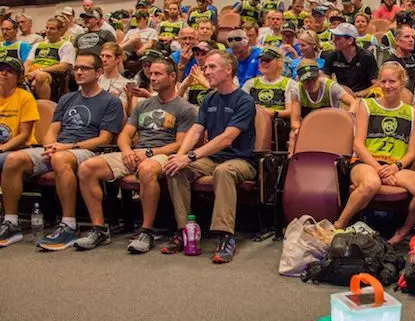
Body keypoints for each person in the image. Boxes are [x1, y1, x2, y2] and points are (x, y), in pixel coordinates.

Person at [0, 53, 123, 249]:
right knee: (13, 159)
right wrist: (50, 145)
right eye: (77, 68)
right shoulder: (67, 99)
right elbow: (53, 130)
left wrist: (66, 147)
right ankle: (11, 222)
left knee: (60, 159)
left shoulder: (110, 101)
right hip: (59, 148)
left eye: (85, 68)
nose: (79, 72)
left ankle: (69, 225)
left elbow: (104, 139)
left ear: (99, 72)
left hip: (88, 150)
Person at [74, 58, 196, 252]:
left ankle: (146, 230)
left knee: (147, 169)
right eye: (151, 74)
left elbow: (180, 144)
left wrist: (148, 153)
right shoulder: (143, 105)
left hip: (163, 154)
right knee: (87, 167)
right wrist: (127, 151)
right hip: (135, 152)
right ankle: (99, 228)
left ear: (172, 77)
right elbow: (125, 134)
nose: (152, 78)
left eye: (158, 74)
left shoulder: (185, 108)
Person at [162, 51, 257, 263]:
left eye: (212, 67)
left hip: (240, 160)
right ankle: (184, 230)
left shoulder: (244, 101)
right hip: (212, 159)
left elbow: (226, 139)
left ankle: (225, 236)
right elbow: (196, 130)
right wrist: (179, 156)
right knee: (177, 169)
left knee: (223, 171)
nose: (206, 72)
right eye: (205, 68)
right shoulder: (209, 99)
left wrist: (190, 156)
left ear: (228, 70)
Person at [334, 63, 415, 244]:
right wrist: (379, 169)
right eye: (383, 81)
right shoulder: (366, 106)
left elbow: (412, 152)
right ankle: (339, 226)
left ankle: (401, 234)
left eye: (392, 81)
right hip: (366, 163)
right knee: (371, 184)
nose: (387, 86)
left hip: (396, 167)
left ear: (402, 83)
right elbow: (358, 145)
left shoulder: (412, 113)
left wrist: (394, 167)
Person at [287, 59, 356, 154]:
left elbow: (353, 102)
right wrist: (299, 129)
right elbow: (294, 122)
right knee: (293, 135)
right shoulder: (296, 91)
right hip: (309, 128)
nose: (310, 83)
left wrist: (349, 117)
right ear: (299, 80)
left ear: (319, 75)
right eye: (306, 80)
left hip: (332, 126)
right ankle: (290, 163)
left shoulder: (331, 86)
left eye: (313, 79)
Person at [0, 56, 39, 177]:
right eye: (1, 70)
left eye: (10, 71)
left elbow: (24, 135)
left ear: (19, 78)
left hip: (19, 149)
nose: (4, 73)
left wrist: (2, 148)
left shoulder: (25, 98)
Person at [25, 16, 76, 101]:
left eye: (52, 28)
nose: (48, 31)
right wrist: (25, 74)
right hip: (33, 72)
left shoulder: (66, 45)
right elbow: (27, 62)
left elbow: (63, 67)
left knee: (40, 77)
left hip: (54, 76)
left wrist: (41, 70)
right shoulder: (38, 45)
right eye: (47, 28)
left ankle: (45, 107)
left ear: (60, 31)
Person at [241, 46, 296, 123]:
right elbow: (241, 108)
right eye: (261, 60)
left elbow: (291, 111)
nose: (263, 63)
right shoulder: (250, 83)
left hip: (278, 126)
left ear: (279, 62)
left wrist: (271, 113)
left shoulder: (289, 84)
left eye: (267, 60)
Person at [322, 23, 379, 95]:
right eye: (333, 37)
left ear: (350, 40)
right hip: (342, 96)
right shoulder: (331, 56)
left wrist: (360, 94)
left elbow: (377, 84)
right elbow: (325, 80)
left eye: (338, 38)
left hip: (363, 97)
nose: (333, 41)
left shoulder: (366, 56)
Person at [385, 25, 415, 91]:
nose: (411, 40)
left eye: (413, 37)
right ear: (397, 41)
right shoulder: (390, 63)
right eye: (407, 37)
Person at [97, 43, 131, 113]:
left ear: (118, 59)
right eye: (102, 56)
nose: (104, 59)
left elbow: (125, 113)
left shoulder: (126, 84)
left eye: (108, 56)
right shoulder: (94, 80)